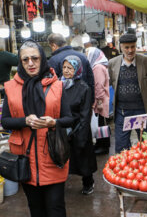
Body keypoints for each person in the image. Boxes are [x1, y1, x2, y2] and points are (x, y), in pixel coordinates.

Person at [1, 40, 72, 217]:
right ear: (20, 62)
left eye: (35, 58)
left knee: (56, 208)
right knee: (35, 208)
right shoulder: (11, 88)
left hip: (53, 156)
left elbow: (70, 119)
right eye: (25, 60)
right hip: (25, 158)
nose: (30, 63)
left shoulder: (57, 85)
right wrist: (25, 121)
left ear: (42, 59)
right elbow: (6, 121)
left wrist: (53, 122)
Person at [108, 34, 147, 153]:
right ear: (121, 47)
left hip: (143, 110)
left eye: (133, 47)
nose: (130, 51)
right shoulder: (112, 63)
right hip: (122, 112)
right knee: (121, 147)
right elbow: (112, 83)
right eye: (126, 47)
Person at [61, 55, 97, 195]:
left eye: (70, 68)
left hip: (79, 129)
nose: (66, 71)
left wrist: (79, 134)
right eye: (64, 67)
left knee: (83, 159)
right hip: (63, 128)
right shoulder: (60, 85)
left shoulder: (84, 88)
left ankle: (88, 183)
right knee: (62, 157)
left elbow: (85, 114)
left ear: (77, 69)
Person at [47, 33, 95, 103]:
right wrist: (92, 100)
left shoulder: (53, 60)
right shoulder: (83, 56)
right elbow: (91, 80)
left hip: (64, 103)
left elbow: (51, 85)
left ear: (54, 45)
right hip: (84, 101)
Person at [85, 47, 110, 155]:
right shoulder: (100, 66)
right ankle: (101, 145)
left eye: (87, 54)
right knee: (101, 123)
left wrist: (98, 102)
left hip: (100, 101)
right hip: (102, 99)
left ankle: (103, 146)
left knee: (101, 124)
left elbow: (98, 86)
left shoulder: (97, 67)